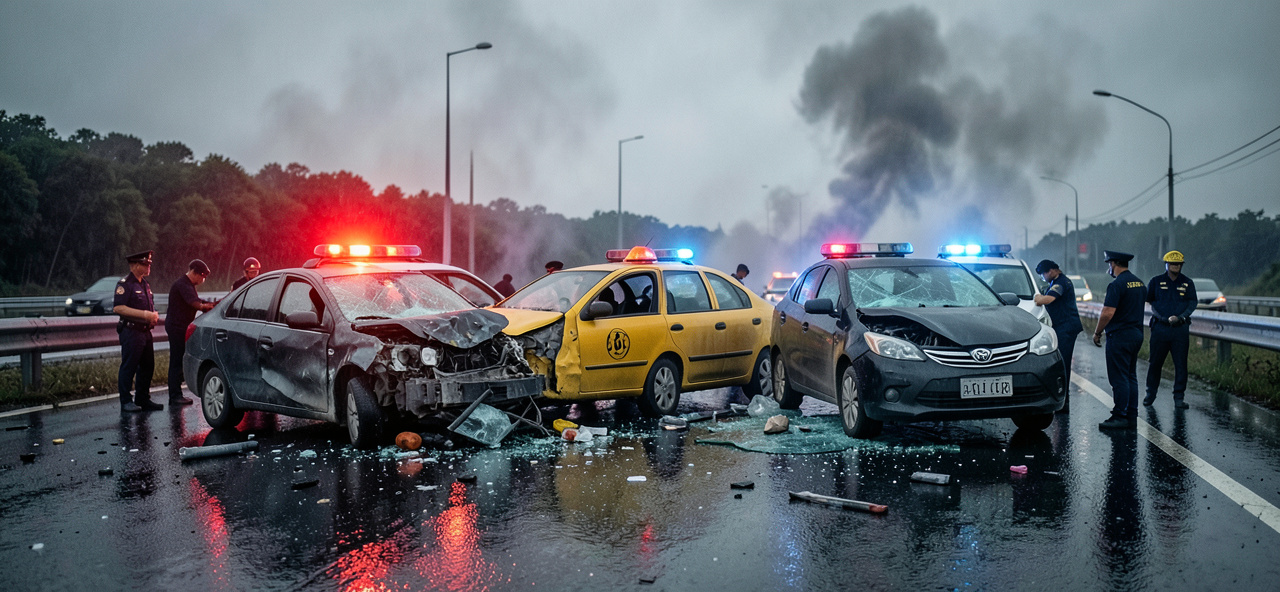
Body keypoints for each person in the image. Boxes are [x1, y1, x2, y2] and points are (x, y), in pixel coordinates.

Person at [1092, 251, 1147, 430]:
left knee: (1119, 378)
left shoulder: (1116, 285)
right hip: (1137, 334)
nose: (1109, 267)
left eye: (1109, 263)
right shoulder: (1139, 283)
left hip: (1120, 335)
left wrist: (1097, 332)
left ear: (1114, 264)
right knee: (1131, 375)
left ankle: (1119, 416)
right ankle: (1131, 414)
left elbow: (1108, 312)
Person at [1144, 250, 1197, 409]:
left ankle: (1179, 397)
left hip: (1180, 329)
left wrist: (1181, 317)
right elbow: (1149, 301)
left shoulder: (1187, 283)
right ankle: (1150, 393)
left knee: (1181, 365)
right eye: (1173, 264)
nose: (1176, 267)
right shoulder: (1155, 281)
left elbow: (1192, 303)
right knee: (1155, 363)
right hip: (1160, 328)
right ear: (1166, 264)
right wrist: (1162, 317)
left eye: (1178, 264)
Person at [113, 250, 162, 412]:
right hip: (131, 331)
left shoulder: (144, 284)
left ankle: (142, 398)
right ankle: (126, 401)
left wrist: (152, 316)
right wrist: (145, 315)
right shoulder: (125, 284)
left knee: (148, 366)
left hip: (145, 332)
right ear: (134, 265)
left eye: (149, 263)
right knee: (129, 366)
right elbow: (118, 308)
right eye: (144, 264)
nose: (148, 266)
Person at [1033, 259, 1083, 414]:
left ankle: (1064, 402)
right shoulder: (1058, 281)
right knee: (1062, 364)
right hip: (1064, 327)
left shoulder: (1060, 283)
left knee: (1063, 365)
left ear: (1051, 271)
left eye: (1043, 274)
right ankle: (1063, 401)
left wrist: (1037, 298)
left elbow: (1047, 299)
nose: (1043, 277)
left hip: (1066, 328)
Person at [165, 260, 216, 406]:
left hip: (181, 327)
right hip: (176, 327)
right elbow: (195, 303)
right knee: (176, 361)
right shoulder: (183, 284)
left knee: (180, 359)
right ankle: (175, 395)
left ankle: (176, 393)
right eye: (202, 276)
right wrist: (206, 307)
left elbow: (197, 300)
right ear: (194, 272)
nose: (203, 280)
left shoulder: (189, 285)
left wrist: (213, 303)